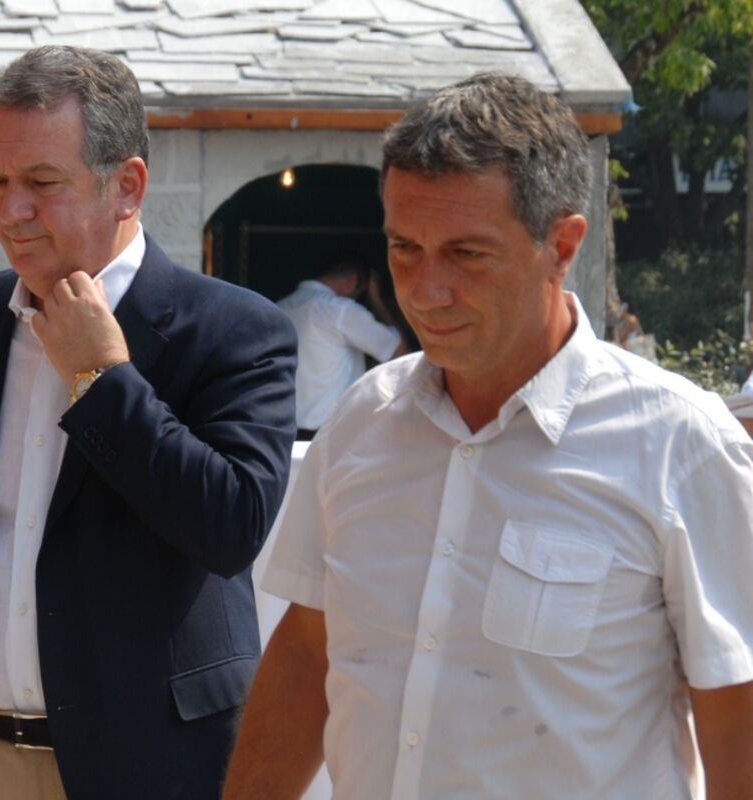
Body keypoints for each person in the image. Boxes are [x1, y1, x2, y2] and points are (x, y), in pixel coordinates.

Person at [224, 72, 753, 799]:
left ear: (562, 246)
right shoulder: (361, 422)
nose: (425, 289)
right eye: (404, 248)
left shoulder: (680, 446)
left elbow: (737, 717)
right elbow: (309, 654)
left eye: (467, 254)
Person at [0, 45, 297, 800]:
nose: (10, 211)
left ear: (128, 186)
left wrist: (103, 379)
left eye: (42, 182)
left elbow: (230, 528)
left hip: (140, 772)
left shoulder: (235, 330)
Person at [277, 254, 406, 438]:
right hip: (330, 435)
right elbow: (399, 351)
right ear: (352, 281)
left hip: (285, 433)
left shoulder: (281, 307)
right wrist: (377, 302)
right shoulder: (340, 309)